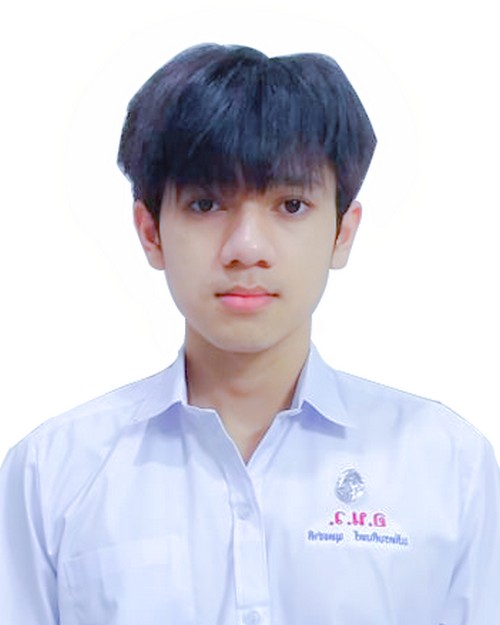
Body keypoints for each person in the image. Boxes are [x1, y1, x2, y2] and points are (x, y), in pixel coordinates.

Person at [1, 42, 499, 625]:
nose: (247, 248)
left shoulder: (447, 465)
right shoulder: (52, 473)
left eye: (291, 205)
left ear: (342, 232)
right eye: (206, 204)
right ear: (150, 231)